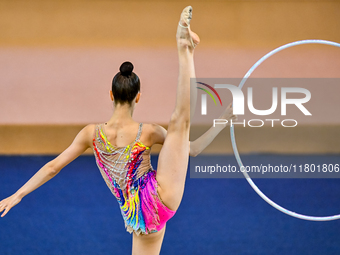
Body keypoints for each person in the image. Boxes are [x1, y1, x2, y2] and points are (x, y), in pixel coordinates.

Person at [0, 6, 236, 255]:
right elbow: (191, 150)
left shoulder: (90, 134)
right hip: (158, 196)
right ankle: (185, 50)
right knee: (180, 123)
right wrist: (223, 120)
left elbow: (52, 167)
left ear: (111, 95)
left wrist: (18, 194)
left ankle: (185, 49)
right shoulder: (149, 132)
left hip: (142, 216)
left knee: (180, 125)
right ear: (138, 97)